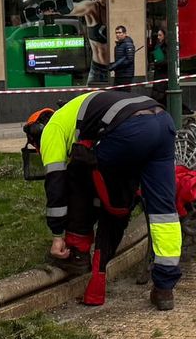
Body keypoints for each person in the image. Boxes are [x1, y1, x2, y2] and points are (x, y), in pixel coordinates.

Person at [23, 89, 181, 311]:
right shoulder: (75, 114)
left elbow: (56, 187)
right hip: (162, 123)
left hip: (130, 129)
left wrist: (57, 235)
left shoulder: (52, 131)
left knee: (78, 173)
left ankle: (77, 252)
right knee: (163, 212)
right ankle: (165, 288)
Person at [48, 0, 112, 84]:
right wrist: (55, 9)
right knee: (90, 101)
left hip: (118, 69)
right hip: (98, 70)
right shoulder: (92, 7)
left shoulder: (122, 6)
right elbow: (77, 7)